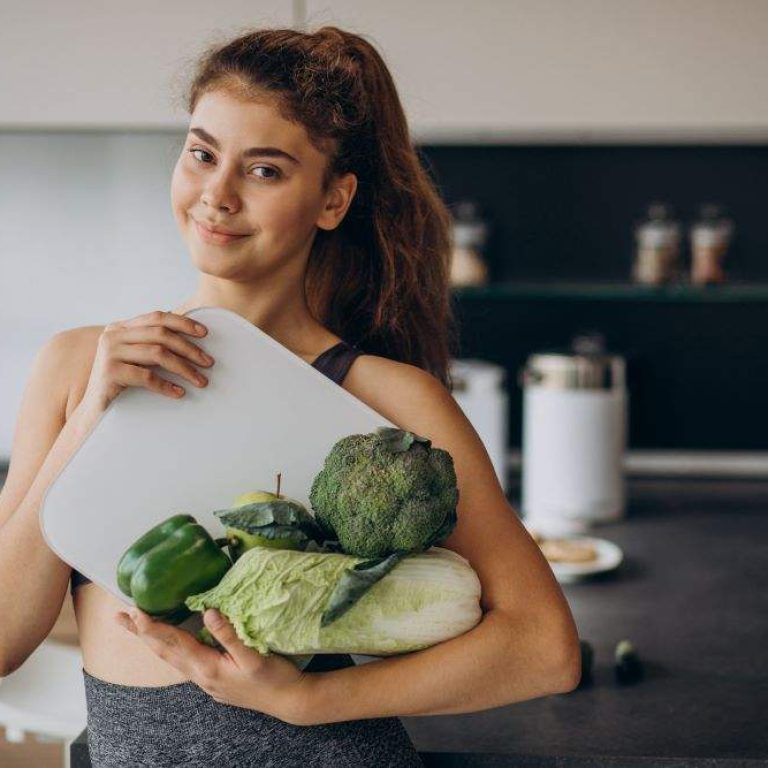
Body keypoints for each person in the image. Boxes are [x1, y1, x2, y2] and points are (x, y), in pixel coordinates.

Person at [0, 25, 581, 767]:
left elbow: (543, 649)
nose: (217, 194)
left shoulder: (391, 402)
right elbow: (4, 640)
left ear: (333, 199)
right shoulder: (78, 367)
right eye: (201, 153)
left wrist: (307, 701)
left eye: (265, 170)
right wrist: (92, 415)